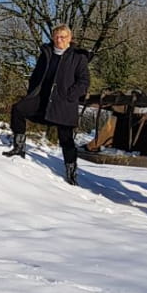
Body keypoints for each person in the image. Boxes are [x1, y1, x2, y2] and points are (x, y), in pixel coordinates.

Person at [5, 24, 91, 186]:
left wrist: (70, 95)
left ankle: (71, 171)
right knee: (19, 109)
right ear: (53, 38)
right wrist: (32, 92)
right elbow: (36, 75)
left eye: (63, 37)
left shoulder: (78, 57)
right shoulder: (46, 53)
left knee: (66, 139)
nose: (60, 40)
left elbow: (84, 81)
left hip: (64, 102)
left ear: (70, 39)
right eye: (57, 37)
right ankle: (19, 147)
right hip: (43, 99)